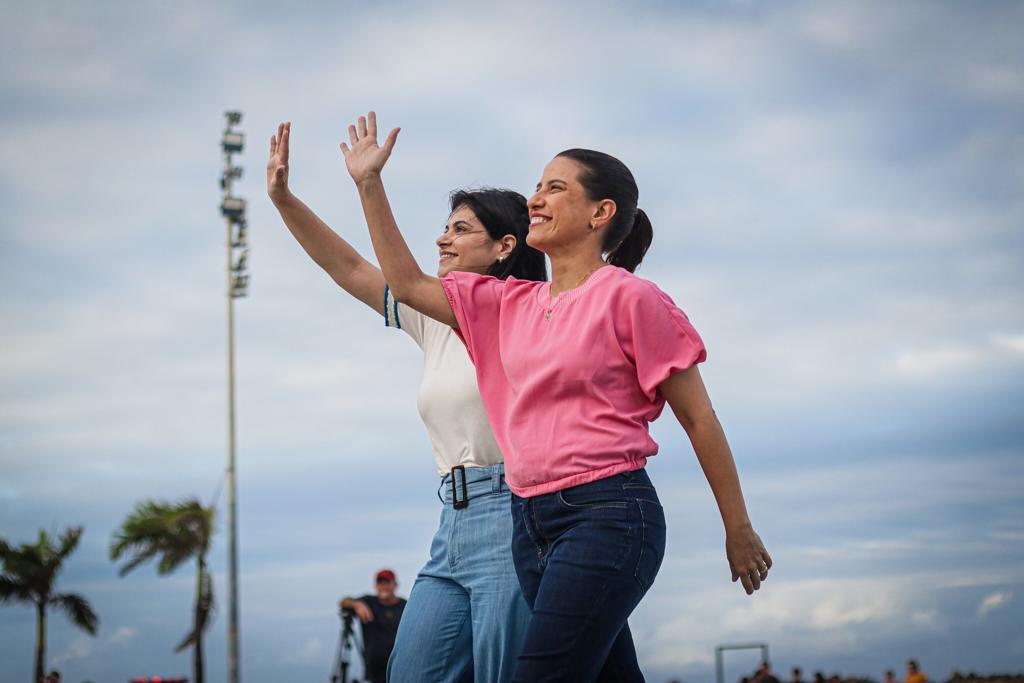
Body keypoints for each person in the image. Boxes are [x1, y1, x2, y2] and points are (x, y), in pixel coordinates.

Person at [340, 111, 773, 682]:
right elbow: (408, 283)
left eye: (554, 187)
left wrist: (736, 526)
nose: (536, 197)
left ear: (600, 213)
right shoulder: (507, 304)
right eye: (538, 185)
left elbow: (699, 419)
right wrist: (369, 184)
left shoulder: (631, 298)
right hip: (529, 522)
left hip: (609, 515)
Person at [268, 122, 542, 682]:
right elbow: (344, 267)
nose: (442, 238)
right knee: (411, 672)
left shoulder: (527, 312)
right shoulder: (434, 321)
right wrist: (283, 199)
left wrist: (370, 185)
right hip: (451, 524)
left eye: (460, 229)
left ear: (504, 248)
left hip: (513, 513)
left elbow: (402, 275)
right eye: (444, 226)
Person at [340, 569, 407, 683]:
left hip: (400, 667)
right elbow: (343, 602)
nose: (383, 586)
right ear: (376, 586)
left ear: (395, 585)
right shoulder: (369, 602)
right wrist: (357, 604)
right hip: (374, 670)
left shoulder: (405, 605)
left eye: (387, 582)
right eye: (380, 583)